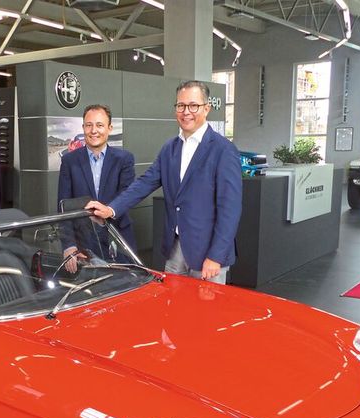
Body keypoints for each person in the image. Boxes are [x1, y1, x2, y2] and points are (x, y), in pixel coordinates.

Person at [86, 80, 242, 284]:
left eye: (193, 105)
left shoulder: (223, 150)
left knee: (205, 313)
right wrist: (111, 209)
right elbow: (144, 183)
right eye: (180, 105)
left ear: (206, 108)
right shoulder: (170, 148)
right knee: (173, 309)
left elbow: (230, 209)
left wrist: (216, 256)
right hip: (176, 248)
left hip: (209, 254)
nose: (186, 111)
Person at [58, 104, 136, 272]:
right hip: (84, 244)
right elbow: (63, 206)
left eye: (100, 125)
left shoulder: (124, 159)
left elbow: (127, 195)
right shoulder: (69, 161)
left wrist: (106, 211)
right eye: (89, 125)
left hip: (119, 238)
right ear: (83, 128)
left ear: (109, 128)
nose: (94, 130)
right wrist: (68, 245)